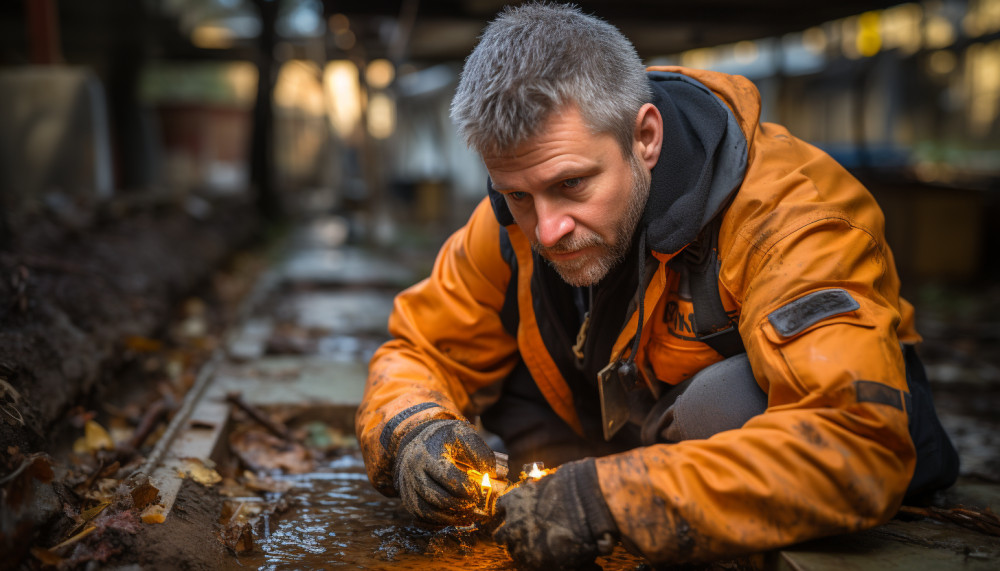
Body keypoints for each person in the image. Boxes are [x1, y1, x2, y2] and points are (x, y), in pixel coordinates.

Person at [355, 3, 959, 568]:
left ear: (644, 137)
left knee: (723, 401)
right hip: (613, 431)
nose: (546, 229)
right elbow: (420, 350)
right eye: (518, 194)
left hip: (711, 441)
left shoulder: (789, 219)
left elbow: (855, 445)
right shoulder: (506, 226)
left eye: (571, 185)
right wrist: (414, 430)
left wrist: (614, 499)